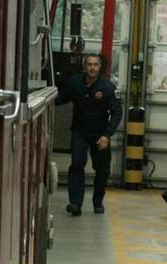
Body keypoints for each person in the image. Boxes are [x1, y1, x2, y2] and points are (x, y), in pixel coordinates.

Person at [56, 53, 122, 216]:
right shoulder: (75, 83)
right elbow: (60, 98)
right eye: (89, 64)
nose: (92, 68)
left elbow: (117, 113)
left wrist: (107, 135)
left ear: (100, 67)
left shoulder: (108, 88)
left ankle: (97, 201)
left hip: (100, 134)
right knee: (77, 164)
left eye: (95, 65)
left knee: (102, 169)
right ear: (84, 67)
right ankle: (75, 203)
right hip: (80, 131)